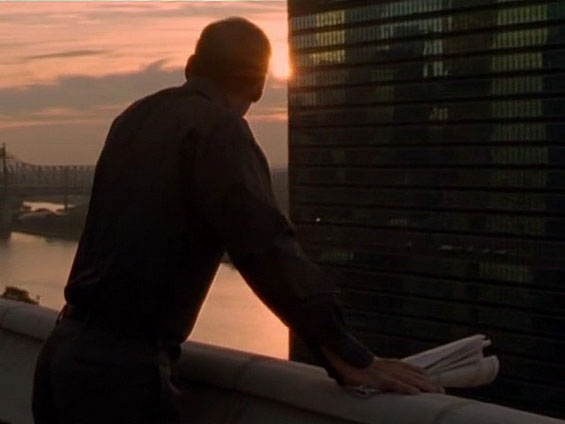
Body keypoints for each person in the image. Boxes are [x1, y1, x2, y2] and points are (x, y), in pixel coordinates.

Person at [32, 17, 443, 424]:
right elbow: (266, 248)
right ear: (259, 86)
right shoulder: (219, 131)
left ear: (191, 67)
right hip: (116, 380)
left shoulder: (134, 118)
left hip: (61, 356)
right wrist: (346, 352)